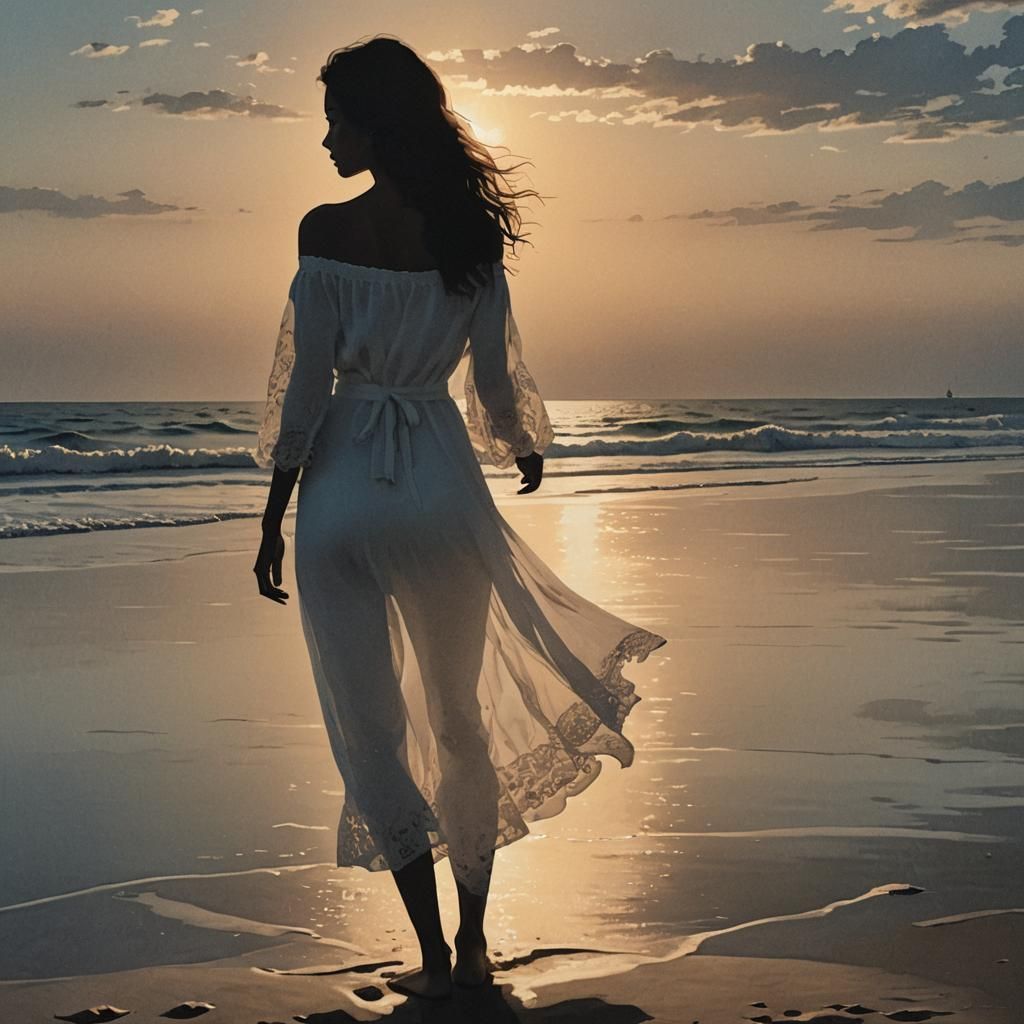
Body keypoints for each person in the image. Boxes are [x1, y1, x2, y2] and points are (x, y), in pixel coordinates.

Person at [251, 34, 668, 1001]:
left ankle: (432, 953)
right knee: (462, 721)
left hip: (343, 494)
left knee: (371, 732)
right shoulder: (471, 244)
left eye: (336, 121)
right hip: (439, 485)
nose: (325, 141)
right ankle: (477, 942)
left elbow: (305, 390)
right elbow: (491, 380)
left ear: (374, 125)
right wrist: (522, 444)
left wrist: (273, 511)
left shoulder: (322, 233)